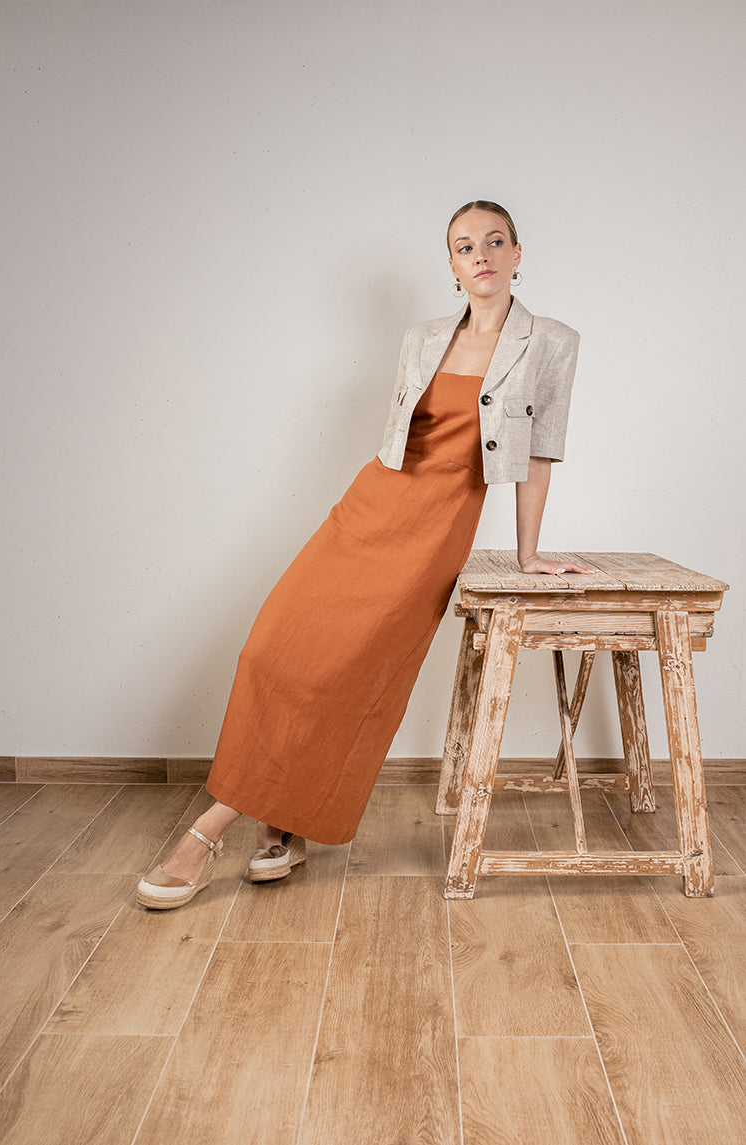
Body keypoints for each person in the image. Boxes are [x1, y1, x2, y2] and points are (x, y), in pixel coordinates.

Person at [136, 200, 593, 910]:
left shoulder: (551, 342)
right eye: (464, 246)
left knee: (339, 675)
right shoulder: (423, 337)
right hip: (368, 508)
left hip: (433, 532)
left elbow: (539, 454)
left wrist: (527, 553)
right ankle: (278, 827)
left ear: (516, 252)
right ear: (450, 265)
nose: (480, 255)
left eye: (493, 241)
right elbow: (401, 440)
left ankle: (206, 832)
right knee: (271, 651)